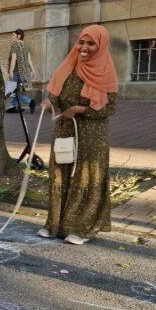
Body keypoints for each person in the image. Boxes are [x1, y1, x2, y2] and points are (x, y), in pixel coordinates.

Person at [38, 24, 118, 245]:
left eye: (91, 43)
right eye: (82, 42)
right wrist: (49, 102)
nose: (84, 47)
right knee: (61, 173)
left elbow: (110, 108)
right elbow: (55, 95)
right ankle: (55, 225)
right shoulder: (69, 65)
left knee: (84, 176)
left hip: (91, 133)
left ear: (100, 45)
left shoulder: (105, 71)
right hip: (65, 130)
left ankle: (81, 228)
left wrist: (80, 109)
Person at [8, 29, 38, 114]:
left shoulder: (15, 46)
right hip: (25, 72)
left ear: (19, 36)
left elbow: (13, 60)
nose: (12, 37)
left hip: (17, 72)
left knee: (13, 90)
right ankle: (14, 106)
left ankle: (30, 101)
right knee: (16, 90)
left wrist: (11, 71)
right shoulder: (26, 46)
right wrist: (33, 70)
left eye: (13, 35)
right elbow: (29, 60)